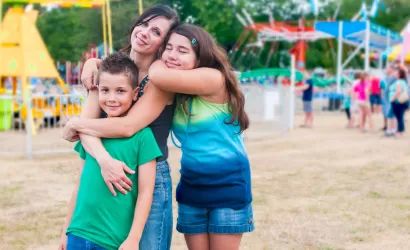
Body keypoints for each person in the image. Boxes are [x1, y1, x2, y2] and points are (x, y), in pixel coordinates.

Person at [63, 5, 179, 250]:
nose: (145, 32)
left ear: (163, 44)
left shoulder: (161, 80)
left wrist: (74, 125)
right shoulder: (109, 69)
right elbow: (89, 128)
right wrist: (104, 161)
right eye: (144, 23)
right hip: (107, 165)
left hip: (149, 175)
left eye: (156, 32)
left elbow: (126, 126)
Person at [148, 24, 254, 250]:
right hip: (192, 187)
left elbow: (155, 73)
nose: (173, 56)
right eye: (168, 48)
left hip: (228, 186)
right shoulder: (178, 89)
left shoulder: (213, 78)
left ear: (201, 56)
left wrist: (157, 59)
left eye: (182, 51)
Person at [59, 53, 162, 250]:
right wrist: (66, 229)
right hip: (78, 234)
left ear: (135, 93)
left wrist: (133, 238)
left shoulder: (143, 137)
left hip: (113, 240)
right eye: (105, 90)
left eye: (120, 91)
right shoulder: (91, 132)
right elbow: (80, 183)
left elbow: (145, 193)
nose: (111, 98)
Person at [389, 67, 409, 137]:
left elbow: (398, 91)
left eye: (397, 73)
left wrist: (392, 99)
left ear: (399, 74)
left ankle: (399, 132)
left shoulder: (398, 82)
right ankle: (401, 131)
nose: (395, 74)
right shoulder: (404, 81)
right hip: (403, 101)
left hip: (398, 102)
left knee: (399, 117)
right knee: (400, 117)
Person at [381, 65, 397, 135]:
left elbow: (388, 89)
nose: (386, 70)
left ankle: (391, 130)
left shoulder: (393, 78)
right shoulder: (387, 78)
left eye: (387, 68)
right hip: (388, 98)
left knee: (391, 115)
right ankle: (391, 129)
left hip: (391, 98)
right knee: (390, 114)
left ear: (391, 69)